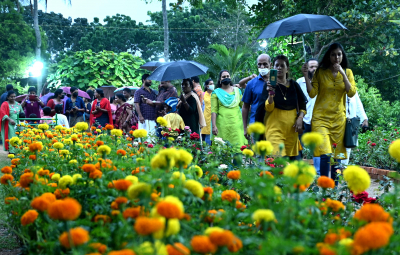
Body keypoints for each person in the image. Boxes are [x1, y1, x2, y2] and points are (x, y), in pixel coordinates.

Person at [302, 42, 356, 182]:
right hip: (321, 119)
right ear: (329, 56)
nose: (336, 57)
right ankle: (325, 184)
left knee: (337, 156)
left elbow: (351, 92)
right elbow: (312, 93)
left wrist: (343, 73)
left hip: (339, 120)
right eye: (333, 55)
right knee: (325, 153)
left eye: (339, 54)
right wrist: (306, 76)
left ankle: (335, 187)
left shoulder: (348, 72)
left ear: (342, 56)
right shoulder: (320, 71)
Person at [263, 55, 307, 159]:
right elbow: (268, 108)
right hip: (274, 130)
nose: (279, 68)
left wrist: (300, 118)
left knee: (291, 168)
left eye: (282, 65)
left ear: (287, 69)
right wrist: (270, 94)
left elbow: (303, 104)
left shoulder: (294, 85)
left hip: (291, 132)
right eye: (276, 65)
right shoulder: (268, 85)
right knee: (278, 163)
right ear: (272, 68)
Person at [211, 70, 247, 152]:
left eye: (227, 76)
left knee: (238, 150)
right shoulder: (216, 93)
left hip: (237, 125)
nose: (226, 78)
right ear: (220, 80)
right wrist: (214, 126)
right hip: (222, 126)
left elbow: (244, 106)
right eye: (223, 77)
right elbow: (214, 110)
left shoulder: (237, 91)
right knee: (223, 152)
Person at [297, 58, 320, 172]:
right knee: (298, 146)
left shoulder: (323, 82)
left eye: (316, 66)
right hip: (303, 120)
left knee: (317, 148)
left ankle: (318, 173)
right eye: (311, 67)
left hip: (317, 120)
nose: (314, 69)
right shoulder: (299, 82)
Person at [242, 54, 272, 141]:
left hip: (274, 124)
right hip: (256, 125)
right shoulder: (251, 84)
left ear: (270, 64)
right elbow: (245, 106)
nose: (262, 66)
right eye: (259, 64)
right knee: (259, 153)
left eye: (265, 64)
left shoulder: (278, 81)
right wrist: (245, 128)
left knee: (275, 153)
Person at [341, 92, 368, 165]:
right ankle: (336, 171)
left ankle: (342, 170)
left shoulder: (352, 89)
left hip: (350, 124)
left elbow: (358, 105)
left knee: (348, 145)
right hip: (336, 123)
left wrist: (364, 119)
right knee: (335, 147)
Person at [201, 79, 214, 145]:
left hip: (214, 117)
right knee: (207, 135)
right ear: (207, 86)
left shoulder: (214, 94)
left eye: (213, 83)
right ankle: (207, 151)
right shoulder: (203, 94)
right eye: (211, 84)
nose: (212, 85)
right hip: (206, 117)